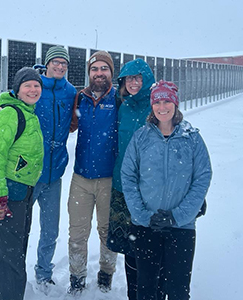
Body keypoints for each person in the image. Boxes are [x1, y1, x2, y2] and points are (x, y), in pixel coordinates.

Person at [0, 46, 76, 292]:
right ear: (46, 64)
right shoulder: (34, 88)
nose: (59, 66)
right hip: (25, 177)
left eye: (63, 63)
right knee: (16, 234)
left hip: (54, 173)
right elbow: (7, 106)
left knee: (50, 229)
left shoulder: (70, 92)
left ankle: (43, 273)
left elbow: (77, 117)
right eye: (55, 62)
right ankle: (12, 276)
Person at [121, 80, 213, 300]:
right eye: (158, 102)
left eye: (167, 101)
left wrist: (178, 216)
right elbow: (128, 176)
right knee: (147, 288)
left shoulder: (191, 138)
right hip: (147, 226)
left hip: (181, 228)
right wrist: (142, 215)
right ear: (152, 105)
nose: (162, 107)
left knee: (177, 289)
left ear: (176, 104)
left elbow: (202, 177)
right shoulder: (141, 137)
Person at [0, 67, 44, 300]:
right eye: (27, 85)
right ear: (17, 90)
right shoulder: (9, 113)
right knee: (12, 265)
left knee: (5, 259)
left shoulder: (27, 112)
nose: (33, 89)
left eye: (37, 85)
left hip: (18, 197)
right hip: (4, 199)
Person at [104, 58, 160, 300]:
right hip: (122, 185)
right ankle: (133, 294)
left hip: (149, 188)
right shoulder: (122, 106)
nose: (134, 83)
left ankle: (151, 292)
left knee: (149, 244)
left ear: (146, 79)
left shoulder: (157, 106)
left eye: (138, 78)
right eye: (129, 78)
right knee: (129, 246)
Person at [66, 50, 118, 295]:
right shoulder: (80, 99)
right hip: (81, 179)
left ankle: (106, 275)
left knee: (107, 231)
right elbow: (61, 122)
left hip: (109, 178)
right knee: (77, 232)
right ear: (88, 73)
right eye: (94, 69)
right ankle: (77, 278)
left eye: (104, 68)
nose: (99, 73)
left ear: (111, 72)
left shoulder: (119, 100)